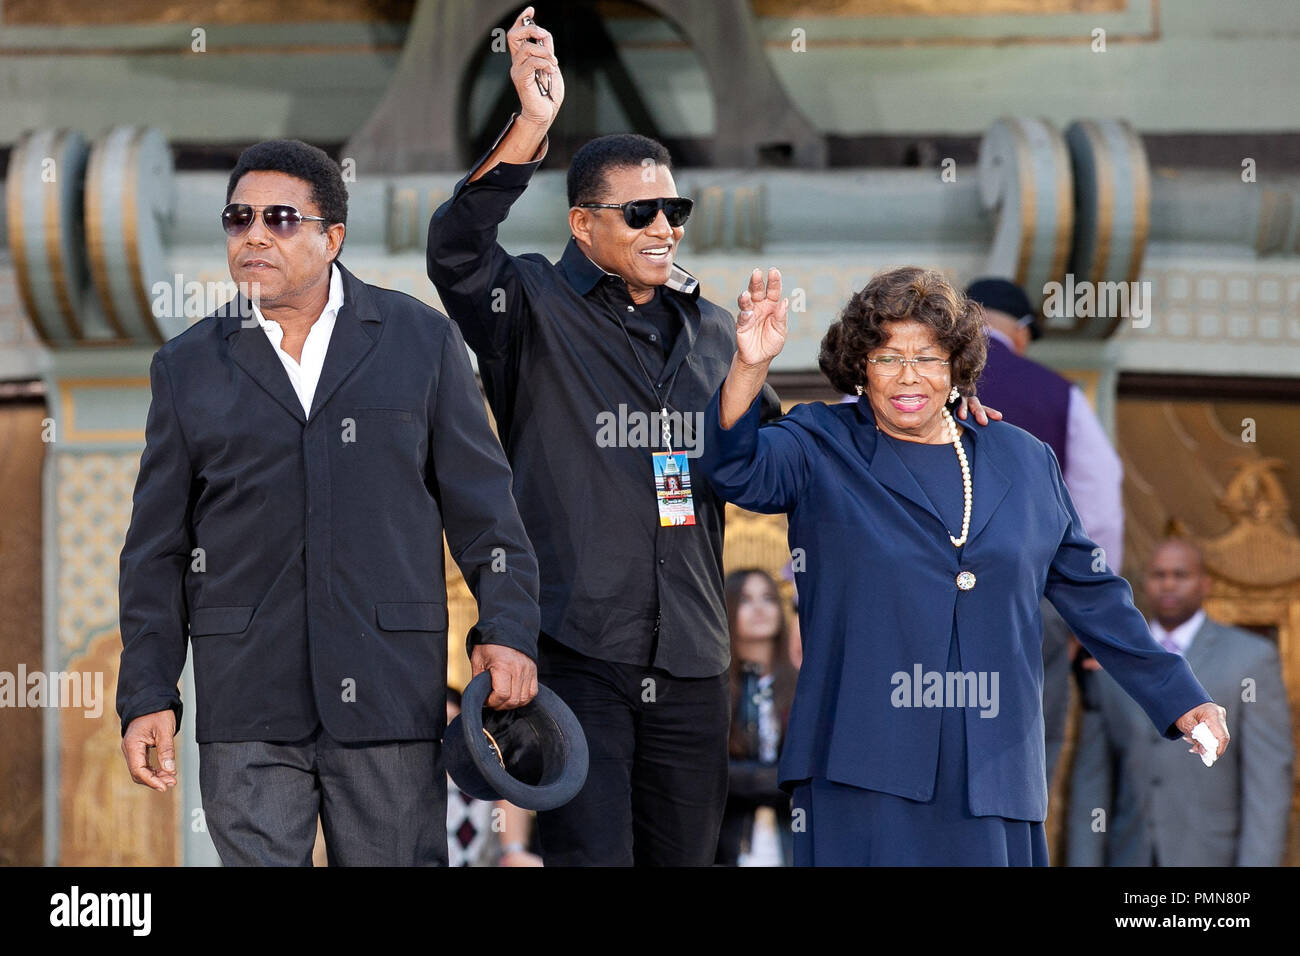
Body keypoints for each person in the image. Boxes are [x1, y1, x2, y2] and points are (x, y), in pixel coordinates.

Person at [699, 265, 1229, 866]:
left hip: (993, 770)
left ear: (957, 368)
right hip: (864, 764)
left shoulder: (1023, 460)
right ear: (859, 368)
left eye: (928, 358)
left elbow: (1094, 593)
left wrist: (1180, 697)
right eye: (887, 357)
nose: (908, 377)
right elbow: (736, 471)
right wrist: (750, 365)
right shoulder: (821, 443)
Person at [425, 6, 787, 865]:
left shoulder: (710, 334)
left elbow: (769, 462)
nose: (665, 226)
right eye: (641, 212)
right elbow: (456, 251)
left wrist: (931, 420)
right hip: (576, 652)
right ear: (584, 223)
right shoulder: (534, 308)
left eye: (675, 208)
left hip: (696, 656)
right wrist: (532, 124)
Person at [116, 138, 540, 866]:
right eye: (238, 217)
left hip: (389, 696)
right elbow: (155, 549)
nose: (253, 234)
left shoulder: (420, 340)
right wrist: (148, 692)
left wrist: (507, 628)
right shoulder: (186, 366)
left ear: (332, 236)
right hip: (247, 700)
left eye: (279, 218)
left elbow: (486, 512)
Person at [964, 277, 1126, 780]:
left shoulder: (913, 378)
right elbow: (1099, 507)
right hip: (1032, 600)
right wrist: (1091, 612)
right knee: (1028, 748)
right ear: (1023, 331)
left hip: (917, 592)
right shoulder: (1058, 394)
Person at [1068, 537, 1293, 866]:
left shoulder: (1252, 660)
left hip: (1212, 858)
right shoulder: (1111, 662)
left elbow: (1267, 785)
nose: (1168, 584)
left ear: (1205, 584)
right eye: (1159, 575)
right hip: (1129, 854)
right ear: (1144, 583)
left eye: (1180, 574)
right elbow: (1092, 782)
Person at [716, 569, 798, 866]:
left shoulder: (803, 686)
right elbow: (710, 773)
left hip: (791, 842)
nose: (760, 609)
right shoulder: (713, 692)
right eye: (746, 600)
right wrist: (783, 783)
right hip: (729, 842)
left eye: (768, 598)